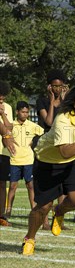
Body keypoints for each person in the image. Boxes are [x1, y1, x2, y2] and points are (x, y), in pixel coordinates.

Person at [21, 83, 75, 255]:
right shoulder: (62, 120)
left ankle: (60, 211)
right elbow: (65, 152)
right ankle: (30, 238)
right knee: (43, 207)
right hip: (48, 162)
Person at [36, 69, 70, 230]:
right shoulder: (42, 101)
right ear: (49, 86)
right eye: (55, 86)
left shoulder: (67, 102)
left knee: (63, 185)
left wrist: (65, 101)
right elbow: (49, 122)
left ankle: (59, 220)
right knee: (47, 185)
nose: (58, 89)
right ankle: (44, 222)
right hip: (48, 146)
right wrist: (52, 102)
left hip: (62, 143)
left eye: (61, 86)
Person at [6, 102, 45, 217]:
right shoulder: (11, 125)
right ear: (17, 112)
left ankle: (34, 210)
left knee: (30, 186)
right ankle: (8, 211)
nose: (25, 114)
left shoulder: (32, 125)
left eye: (27, 112)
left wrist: (35, 141)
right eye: (23, 112)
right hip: (14, 160)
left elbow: (44, 134)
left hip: (28, 160)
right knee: (13, 186)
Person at [0, 81, 14, 226]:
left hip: (3, 152)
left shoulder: (8, 108)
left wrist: (3, 114)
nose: (1, 101)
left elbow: (9, 127)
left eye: (3, 99)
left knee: (2, 183)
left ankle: (2, 215)